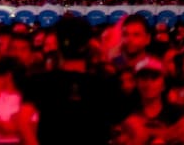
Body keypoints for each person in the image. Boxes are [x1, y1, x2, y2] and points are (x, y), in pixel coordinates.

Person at [22, 15, 129, 145]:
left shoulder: (41, 81)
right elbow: (135, 128)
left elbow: (22, 120)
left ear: (59, 46)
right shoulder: (105, 84)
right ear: (88, 45)